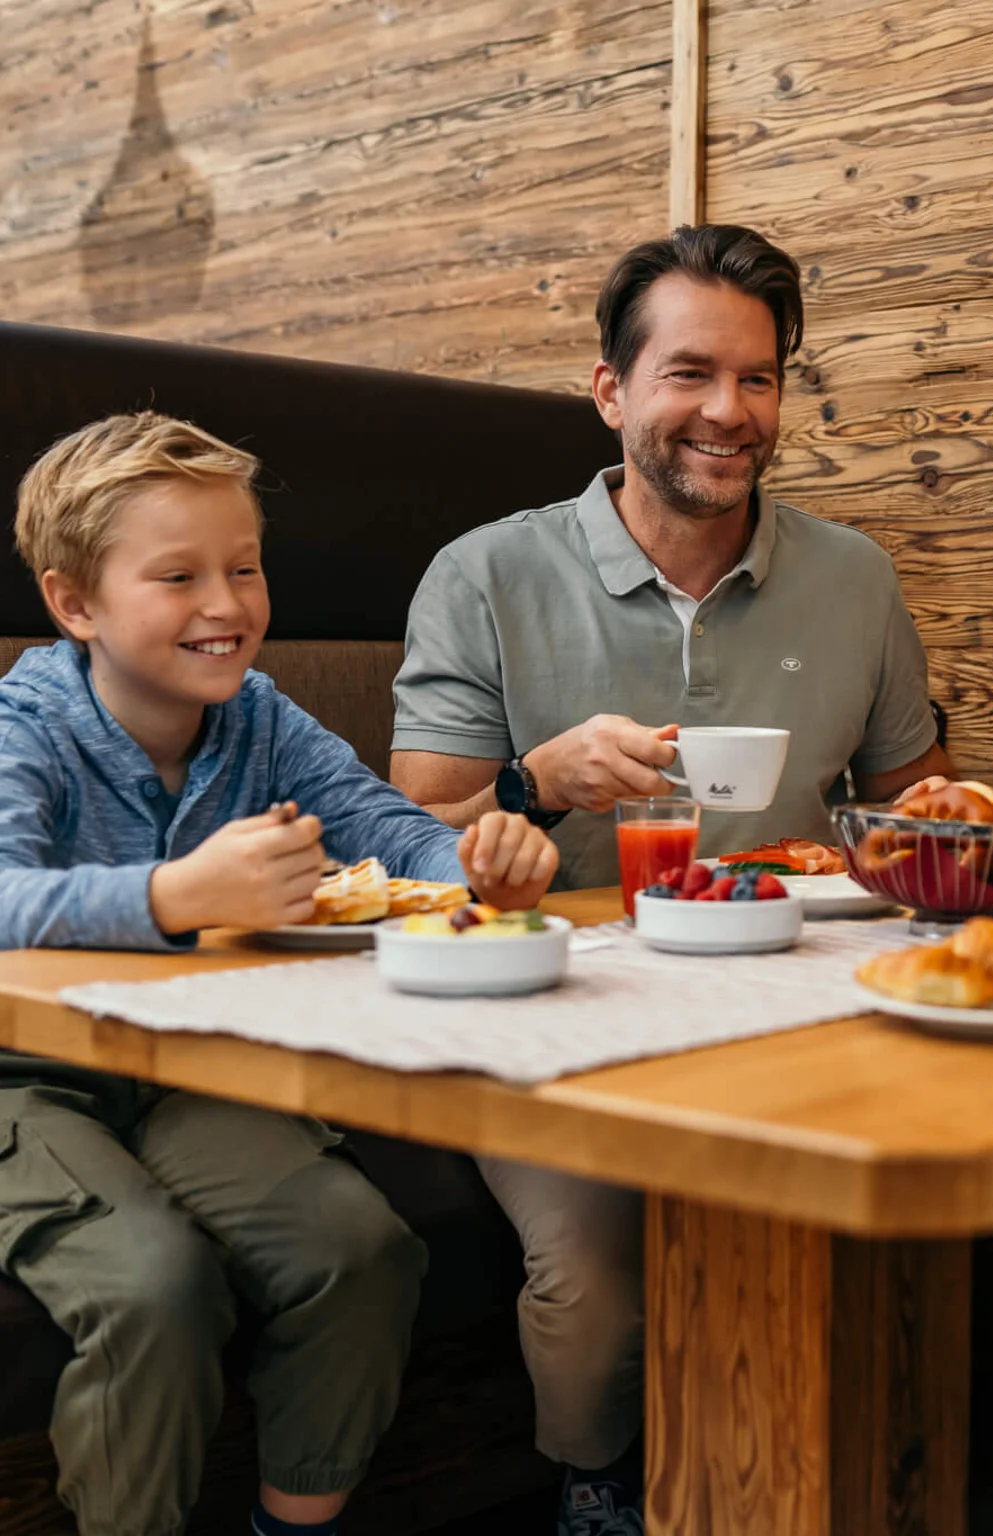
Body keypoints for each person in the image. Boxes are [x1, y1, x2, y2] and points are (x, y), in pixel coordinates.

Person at [387, 223, 953, 1532]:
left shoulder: (855, 578)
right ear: (611, 391)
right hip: (549, 1010)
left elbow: (919, 807)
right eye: (690, 373)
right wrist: (535, 779)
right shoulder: (485, 574)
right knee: (597, 1279)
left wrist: (929, 829)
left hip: (804, 993)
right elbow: (405, 841)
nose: (728, 411)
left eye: (758, 379)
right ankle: (602, 1488)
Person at [0, 414, 558, 1536]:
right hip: (29, 1079)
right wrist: (175, 896)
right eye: (178, 577)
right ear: (74, 604)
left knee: (359, 1253)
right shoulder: (29, 722)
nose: (226, 604)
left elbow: (389, 832)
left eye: (245, 568)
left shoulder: (261, 716)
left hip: (197, 1069)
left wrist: (477, 863)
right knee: (153, 1287)